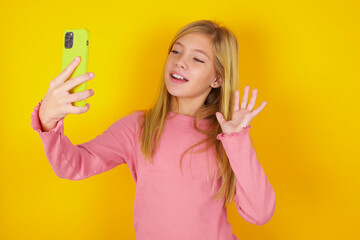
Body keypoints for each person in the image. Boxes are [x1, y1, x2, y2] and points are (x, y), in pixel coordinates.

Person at [30, 19, 276, 240]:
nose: (180, 61)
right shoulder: (138, 127)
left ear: (218, 79)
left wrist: (237, 139)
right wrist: (48, 120)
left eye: (197, 58)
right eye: (176, 51)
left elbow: (260, 213)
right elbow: (72, 165)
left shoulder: (227, 135)